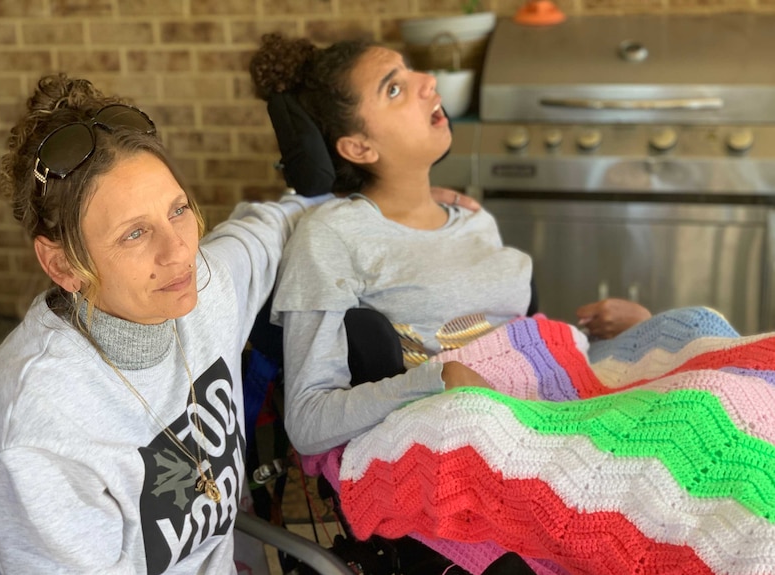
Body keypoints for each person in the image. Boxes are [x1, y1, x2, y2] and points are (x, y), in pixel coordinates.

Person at [0, 73, 326, 575]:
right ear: (63, 265)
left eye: (177, 210)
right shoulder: (41, 431)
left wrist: (350, 193)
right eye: (134, 234)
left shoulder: (204, 289)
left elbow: (268, 227)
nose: (179, 251)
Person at [249, 34, 652, 457]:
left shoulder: (472, 219)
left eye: (411, 72)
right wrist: (438, 380)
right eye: (394, 88)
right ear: (359, 147)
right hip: (485, 447)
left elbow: (518, 353)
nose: (428, 81)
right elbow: (308, 420)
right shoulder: (331, 236)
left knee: (694, 336)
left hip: (559, 412)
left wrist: (623, 339)